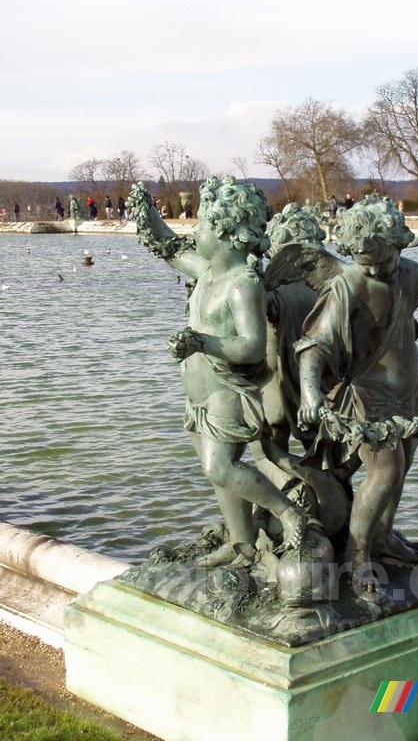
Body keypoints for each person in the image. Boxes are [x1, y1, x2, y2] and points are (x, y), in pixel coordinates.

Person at [296, 196, 418, 587]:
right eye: (364, 262)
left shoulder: (412, 274)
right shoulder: (348, 284)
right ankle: (356, 554)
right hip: (367, 396)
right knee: (386, 470)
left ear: (398, 244)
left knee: (402, 469)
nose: (373, 270)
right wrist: (310, 392)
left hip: (411, 392)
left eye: (381, 261)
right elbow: (315, 345)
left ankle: (382, 538)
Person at [130, 176, 306, 567]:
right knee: (217, 475)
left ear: (228, 233)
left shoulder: (243, 285)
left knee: (221, 466)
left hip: (226, 391)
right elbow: (170, 247)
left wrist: (200, 342)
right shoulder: (206, 271)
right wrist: (147, 214)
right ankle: (242, 544)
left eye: (204, 224)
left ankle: (287, 512)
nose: (196, 231)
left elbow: (251, 345)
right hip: (197, 395)